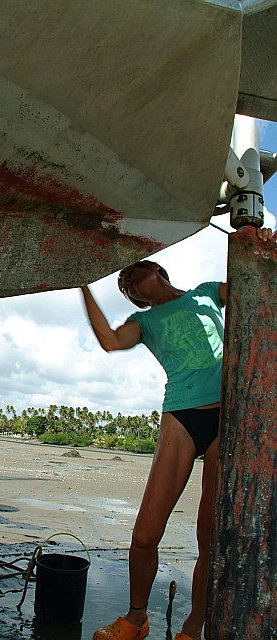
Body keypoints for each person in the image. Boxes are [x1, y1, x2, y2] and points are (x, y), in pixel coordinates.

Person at [80, 226, 276, 640]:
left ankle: (192, 628)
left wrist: (258, 246)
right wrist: (82, 284)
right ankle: (135, 619)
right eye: (124, 285)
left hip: (230, 417)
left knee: (211, 538)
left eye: (130, 274)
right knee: (145, 534)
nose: (127, 281)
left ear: (156, 268)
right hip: (181, 418)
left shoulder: (206, 292)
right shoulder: (143, 321)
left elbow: (257, 287)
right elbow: (110, 341)